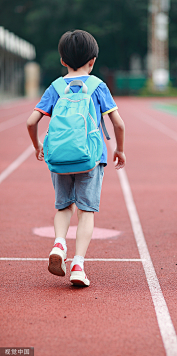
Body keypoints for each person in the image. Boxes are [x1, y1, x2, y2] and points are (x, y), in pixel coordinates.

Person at [27, 30, 126, 286]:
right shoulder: (97, 86)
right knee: (86, 211)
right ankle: (78, 265)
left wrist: (38, 144)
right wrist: (120, 149)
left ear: (62, 60)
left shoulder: (55, 87)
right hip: (91, 158)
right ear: (92, 60)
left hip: (59, 158)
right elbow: (119, 124)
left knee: (63, 206)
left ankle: (59, 244)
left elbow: (31, 121)